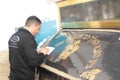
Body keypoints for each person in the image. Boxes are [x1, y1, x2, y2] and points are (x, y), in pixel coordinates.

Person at [8, 15, 49, 80]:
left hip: (14, 76)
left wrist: (35, 52)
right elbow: (34, 62)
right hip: (25, 77)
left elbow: (21, 54)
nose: (38, 31)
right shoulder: (28, 39)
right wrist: (43, 53)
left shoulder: (14, 36)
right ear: (34, 25)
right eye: (38, 28)